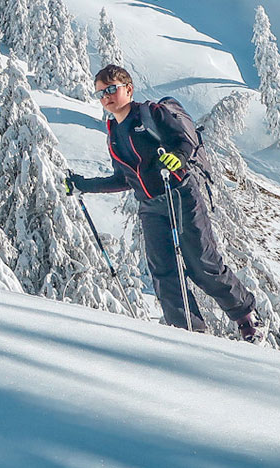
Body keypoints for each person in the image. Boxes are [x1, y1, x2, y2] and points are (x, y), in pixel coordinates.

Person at [67, 64, 262, 341]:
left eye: (111, 89)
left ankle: (247, 317)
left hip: (180, 194)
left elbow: (186, 140)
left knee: (202, 264)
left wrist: (178, 159)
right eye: (100, 93)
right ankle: (189, 335)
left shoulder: (151, 113)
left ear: (128, 89)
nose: (106, 96)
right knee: (163, 272)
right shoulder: (114, 133)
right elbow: (125, 178)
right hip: (149, 206)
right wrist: (84, 185)